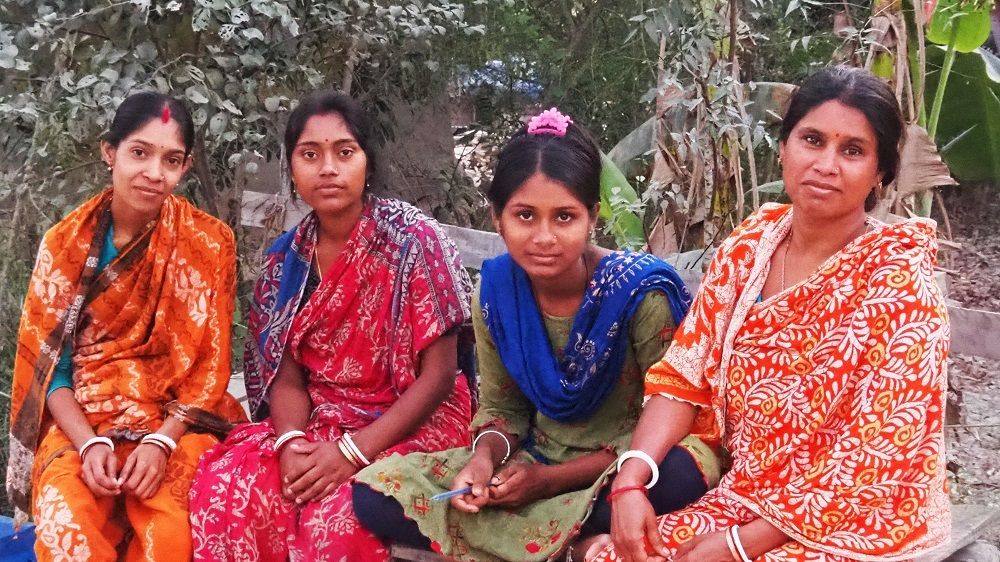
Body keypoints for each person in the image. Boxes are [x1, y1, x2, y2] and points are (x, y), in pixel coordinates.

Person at [589, 66, 950, 562]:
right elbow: (682, 378)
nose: (826, 164)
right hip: (748, 495)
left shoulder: (898, 281)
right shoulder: (750, 248)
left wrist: (735, 546)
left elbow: (875, 458)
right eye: (812, 140)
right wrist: (630, 482)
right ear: (783, 148)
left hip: (854, 516)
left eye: (852, 151)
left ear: (880, 173)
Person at [351, 108, 719, 562]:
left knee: (682, 473)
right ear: (497, 217)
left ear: (593, 217)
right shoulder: (497, 292)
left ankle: (550, 536)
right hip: (536, 459)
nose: (544, 237)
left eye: (564, 217)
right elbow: (503, 408)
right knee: (375, 493)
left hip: (627, 464)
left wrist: (550, 483)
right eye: (525, 215)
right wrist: (484, 461)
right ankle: (570, 543)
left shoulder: (638, 294)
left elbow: (673, 414)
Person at [187, 89, 473, 561]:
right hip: (322, 418)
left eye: (344, 152)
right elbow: (286, 374)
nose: (327, 168)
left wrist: (353, 453)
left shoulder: (413, 241)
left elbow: (440, 376)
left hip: (412, 418)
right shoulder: (285, 263)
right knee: (228, 489)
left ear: (366, 161)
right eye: (310, 154)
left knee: (336, 517)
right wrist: (291, 442)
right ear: (292, 167)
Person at [5, 91, 246, 561]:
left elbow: (209, 368)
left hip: (177, 422)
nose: (155, 173)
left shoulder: (211, 244)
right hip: (83, 419)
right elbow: (50, 369)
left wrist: (161, 441)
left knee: (172, 536)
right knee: (63, 526)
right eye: (140, 152)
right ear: (109, 151)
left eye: (171, 160)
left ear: (186, 165)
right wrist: (89, 442)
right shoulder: (64, 245)